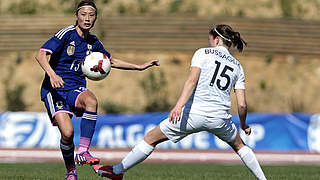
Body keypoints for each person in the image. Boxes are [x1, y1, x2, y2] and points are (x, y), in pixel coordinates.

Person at [93, 24, 267, 180]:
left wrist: (178, 106)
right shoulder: (237, 66)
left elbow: (191, 81)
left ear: (217, 39)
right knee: (240, 146)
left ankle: (116, 171)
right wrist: (243, 125)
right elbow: (242, 104)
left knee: (151, 138)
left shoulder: (202, 53)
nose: (209, 43)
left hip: (193, 114)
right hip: (219, 118)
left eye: (210, 39)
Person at [35, 1, 159, 179]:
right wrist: (52, 75)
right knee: (68, 134)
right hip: (55, 89)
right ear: (76, 16)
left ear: (95, 18)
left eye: (91, 15)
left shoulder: (93, 42)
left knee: (92, 100)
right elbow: (40, 54)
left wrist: (139, 67)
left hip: (76, 88)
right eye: (83, 14)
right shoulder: (66, 34)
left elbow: (111, 61)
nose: (87, 18)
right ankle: (71, 172)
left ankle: (84, 151)